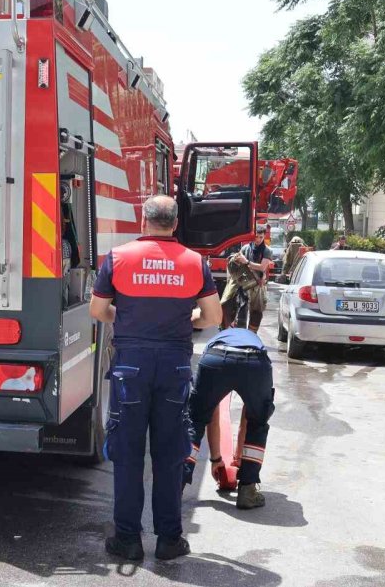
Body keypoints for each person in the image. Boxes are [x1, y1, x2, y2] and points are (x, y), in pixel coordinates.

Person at [90, 195, 222, 562]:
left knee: (128, 454)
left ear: (144, 221)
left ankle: (128, 541)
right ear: (175, 224)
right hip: (174, 366)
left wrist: (129, 320)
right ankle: (169, 540)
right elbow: (212, 316)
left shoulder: (118, 257)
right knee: (170, 455)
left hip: (130, 366)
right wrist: (188, 321)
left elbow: (98, 309)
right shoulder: (195, 262)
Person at [184, 327, 274, 510]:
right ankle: (248, 490)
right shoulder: (254, 338)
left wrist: (216, 459)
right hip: (255, 361)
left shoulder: (219, 337)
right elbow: (247, 419)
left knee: (196, 419)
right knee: (257, 422)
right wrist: (239, 460)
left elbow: (212, 413)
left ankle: (176, 484)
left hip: (215, 358)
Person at [220, 225, 270, 333]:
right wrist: (236, 259)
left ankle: (252, 335)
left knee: (256, 312)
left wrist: (246, 262)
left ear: (264, 237)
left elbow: (262, 267)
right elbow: (236, 264)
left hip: (257, 285)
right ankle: (239, 334)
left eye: (261, 237)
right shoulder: (246, 248)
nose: (258, 240)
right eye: (256, 237)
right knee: (236, 306)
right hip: (243, 283)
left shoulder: (267, 251)